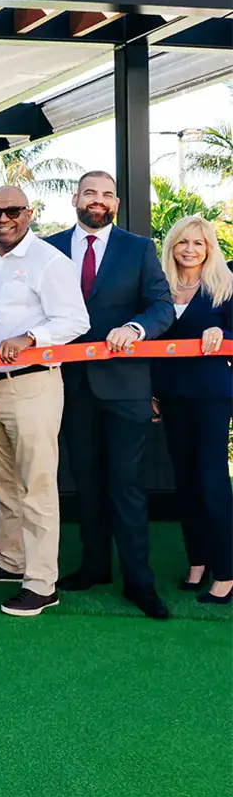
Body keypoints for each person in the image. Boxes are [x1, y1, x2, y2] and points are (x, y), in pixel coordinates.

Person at [47, 171, 175, 620]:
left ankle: (139, 581)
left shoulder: (138, 247)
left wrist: (136, 328)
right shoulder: (49, 246)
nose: (96, 201)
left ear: (115, 203)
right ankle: (94, 566)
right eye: (89, 193)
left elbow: (161, 304)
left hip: (124, 385)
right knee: (85, 479)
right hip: (68, 383)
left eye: (105, 194)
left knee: (126, 483)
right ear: (75, 199)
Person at [0, 187, 90, 617]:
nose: (3, 218)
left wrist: (30, 338)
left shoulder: (50, 261)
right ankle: (11, 561)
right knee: (3, 481)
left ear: (28, 213)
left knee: (37, 485)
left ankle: (41, 583)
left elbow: (75, 320)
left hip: (33, 383)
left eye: (12, 211)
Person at [152, 216, 233, 604]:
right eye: (182, 242)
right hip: (171, 394)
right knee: (184, 480)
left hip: (212, 394)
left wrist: (223, 334)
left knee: (211, 479)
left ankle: (226, 571)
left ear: (208, 248)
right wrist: (152, 392)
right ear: (172, 246)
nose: (189, 249)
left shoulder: (225, 284)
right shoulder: (159, 287)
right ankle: (197, 562)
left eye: (198, 244)